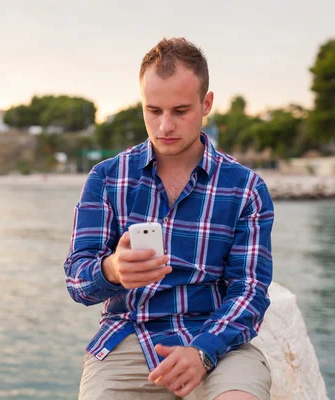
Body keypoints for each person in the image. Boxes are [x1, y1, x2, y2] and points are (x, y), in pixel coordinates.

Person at [64, 37, 274, 400]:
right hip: (128, 336)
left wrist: (203, 351)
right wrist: (113, 270)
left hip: (217, 340)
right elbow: (77, 280)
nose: (164, 126)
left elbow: (250, 290)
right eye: (153, 111)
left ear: (206, 104)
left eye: (180, 111)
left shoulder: (246, 188)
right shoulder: (106, 178)